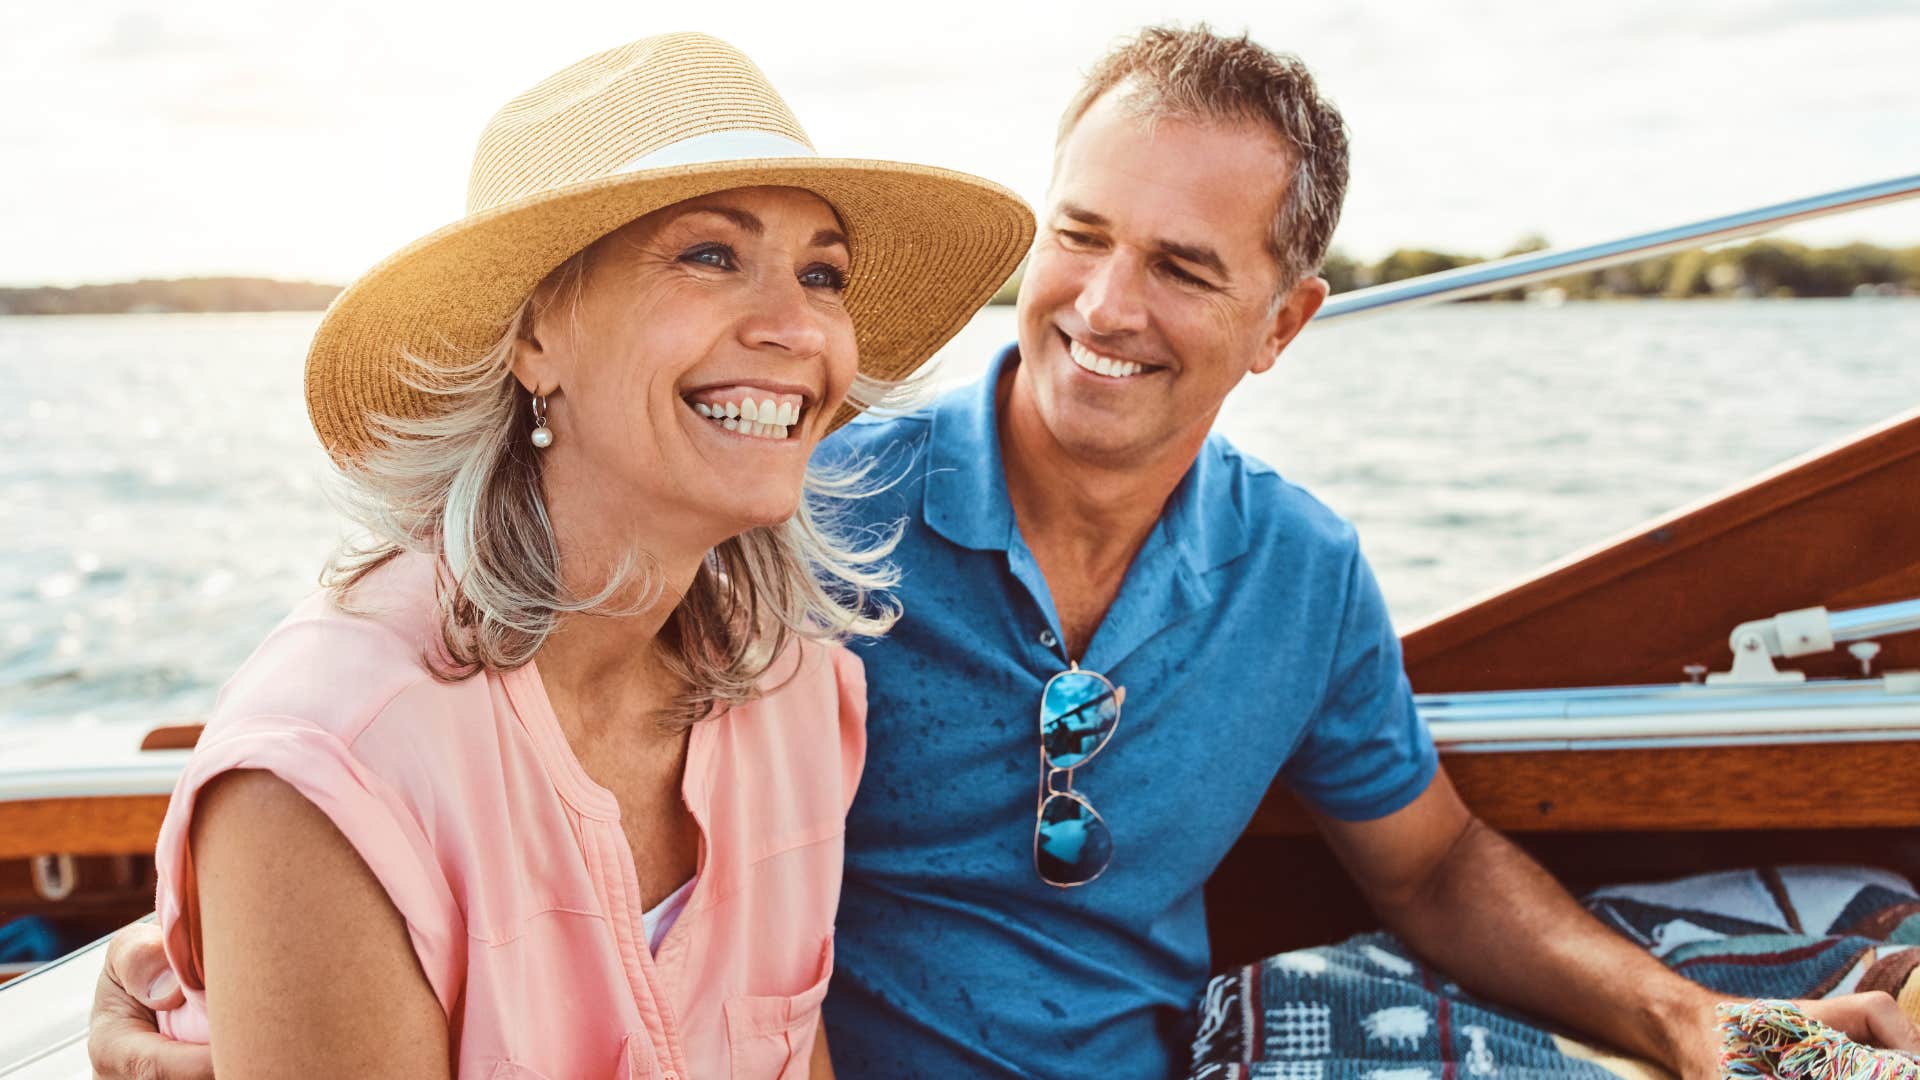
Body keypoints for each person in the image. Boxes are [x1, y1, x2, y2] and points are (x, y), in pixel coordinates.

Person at [90, 24, 1920, 1080]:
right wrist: (231, 963)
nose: (1104, 309)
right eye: (1081, 235)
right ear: (532, 335)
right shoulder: (806, 516)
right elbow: (398, 696)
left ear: (1285, 323)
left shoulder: (803, 644)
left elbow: (1433, 868)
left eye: (1189, 269)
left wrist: (1705, 1031)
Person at [86, 32, 1030, 1080]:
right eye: (711, 255)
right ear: (535, 336)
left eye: (823, 273)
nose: (798, 327)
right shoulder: (332, 766)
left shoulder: (796, 693)